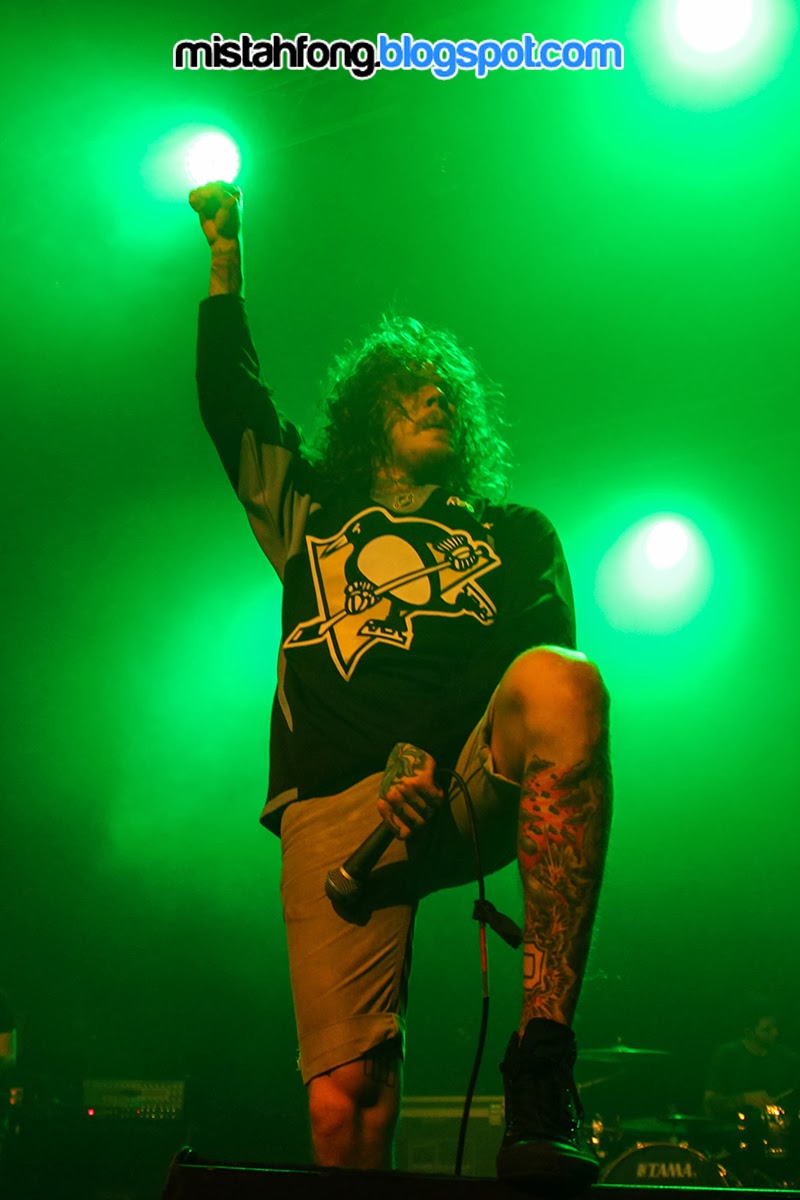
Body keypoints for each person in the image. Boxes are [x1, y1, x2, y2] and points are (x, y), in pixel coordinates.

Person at [190, 181, 612, 1190]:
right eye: (409, 388)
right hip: (338, 804)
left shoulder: (514, 534)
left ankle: (542, 1060)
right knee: (348, 1098)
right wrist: (223, 263)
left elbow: (530, 658)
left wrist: (429, 751)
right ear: (366, 413)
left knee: (564, 684)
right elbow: (233, 404)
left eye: (443, 390)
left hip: (461, 778)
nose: (432, 398)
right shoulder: (309, 509)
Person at [704, 1002, 799, 1118]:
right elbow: (709, 1103)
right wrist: (744, 1099)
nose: (775, 1033)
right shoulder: (728, 1055)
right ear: (749, 1032)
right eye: (767, 1030)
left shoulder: (786, 1057)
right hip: (734, 1126)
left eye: (775, 1027)